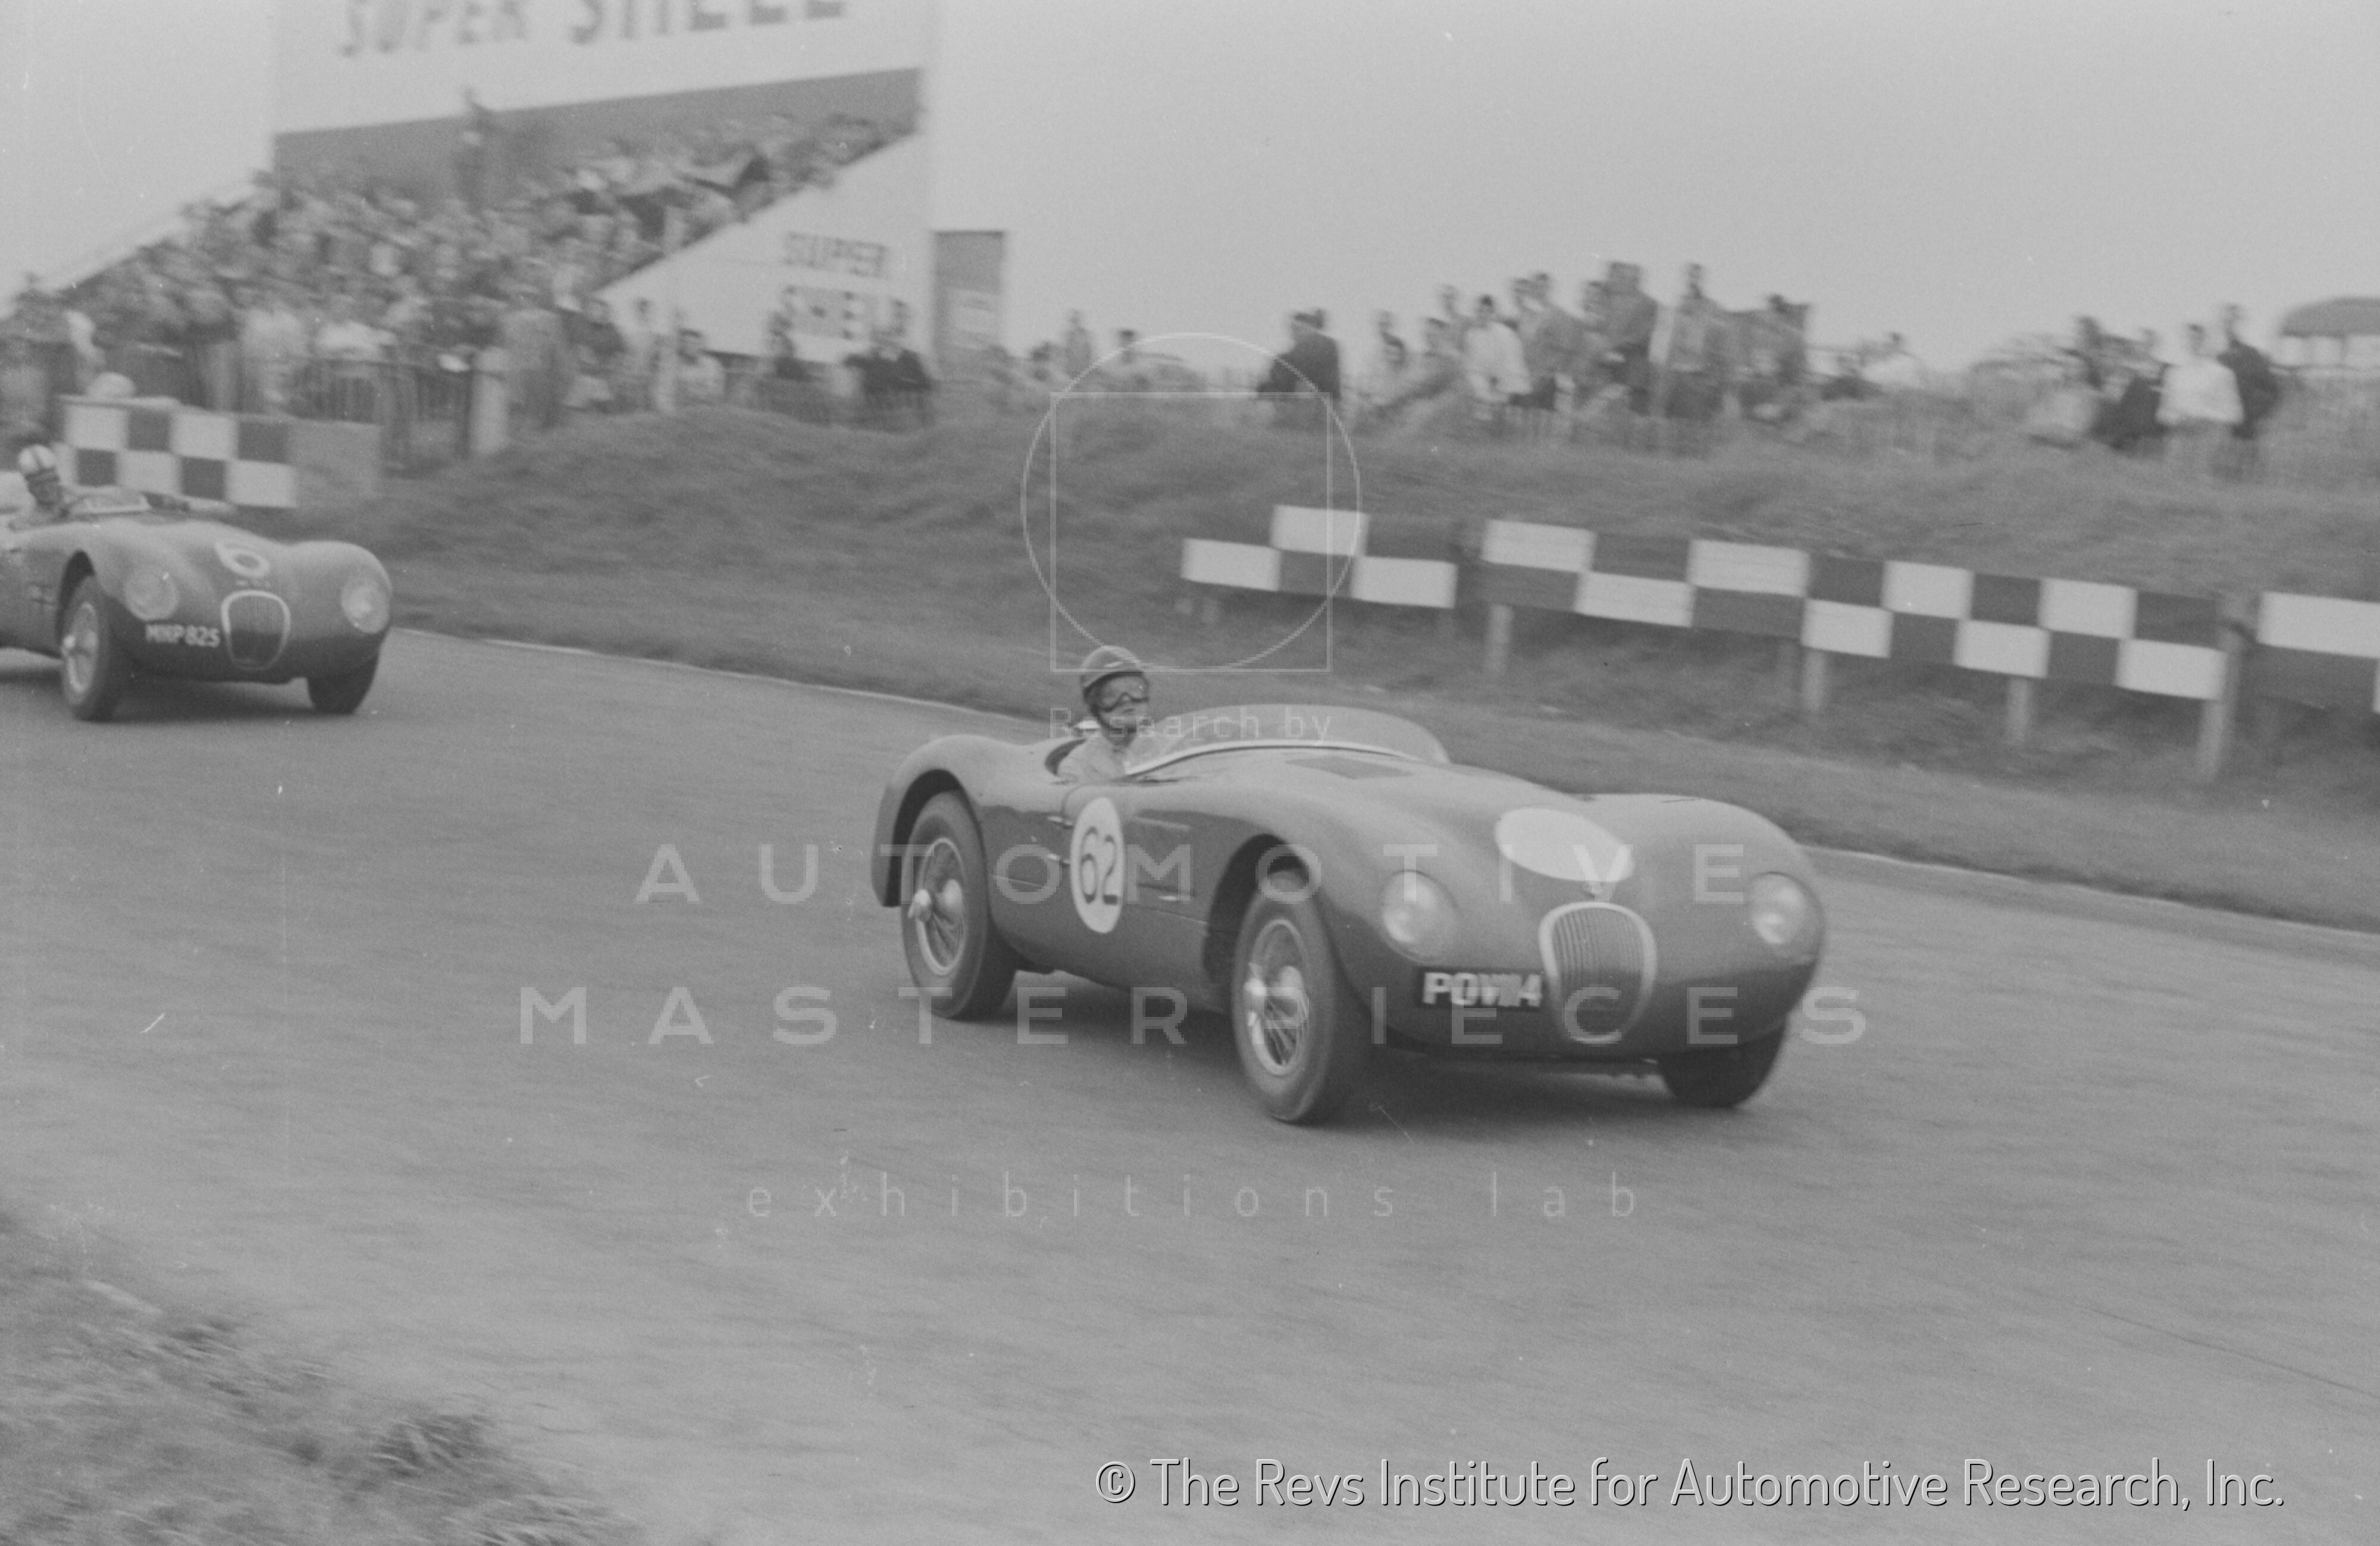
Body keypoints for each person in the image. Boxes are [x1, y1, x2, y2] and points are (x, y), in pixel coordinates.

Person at [1056, 646, 1154, 784]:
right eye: (1110, 694)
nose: (1127, 700)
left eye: (1136, 688)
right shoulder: (1077, 769)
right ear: (1094, 704)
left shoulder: (1169, 749)